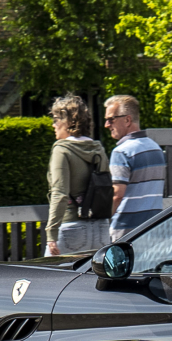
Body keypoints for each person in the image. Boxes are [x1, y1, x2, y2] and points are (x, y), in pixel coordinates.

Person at [44, 94, 108, 255]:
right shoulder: (98, 149)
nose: (54, 125)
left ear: (68, 122)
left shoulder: (62, 150)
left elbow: (60, 193)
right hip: (101, 229)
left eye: (56, 120)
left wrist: (51, 233)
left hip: (71, 227)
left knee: (49, 278)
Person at [103, 94, 166, 244]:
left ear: (127, 120)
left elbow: (117, 194)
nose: (106, 125)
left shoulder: (121, 152)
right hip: (153, 228)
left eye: (111, 119)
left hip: (126, 232)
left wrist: (104, 221)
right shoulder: (155, 148)